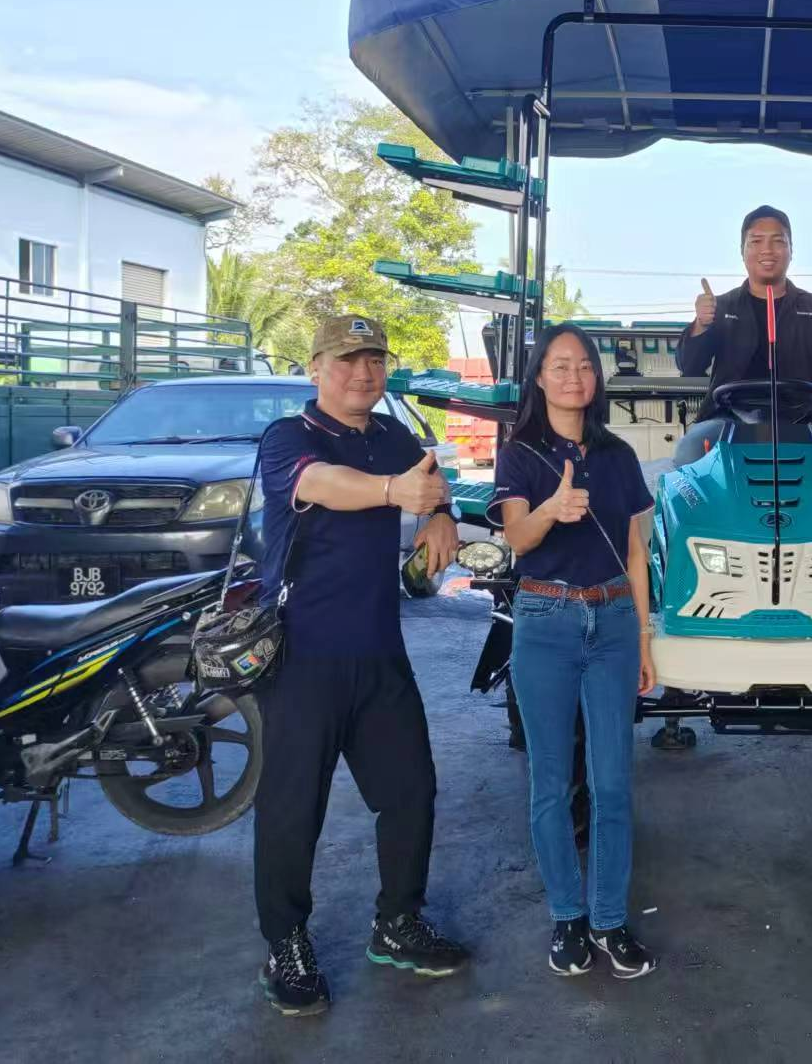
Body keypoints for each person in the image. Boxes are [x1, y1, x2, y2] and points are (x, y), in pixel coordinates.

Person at [252, 314, 467, 1017]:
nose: (363, 373)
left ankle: (398, 921)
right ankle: (285, 944)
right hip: (302, 655)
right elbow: (323, 483)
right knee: (292, 809)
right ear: (316, 367)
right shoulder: (291, 437)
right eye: (346, 360)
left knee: (411, 791)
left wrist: (441, 516)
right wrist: (395, 493)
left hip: (379, 650)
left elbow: (432, 483)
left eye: (374, 359)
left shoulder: (394, 437)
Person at [489, 323, 661, 980]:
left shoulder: (618, 454)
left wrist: (643, 636)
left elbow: (636, 552)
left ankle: (610, 919)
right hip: (545, 620)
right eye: (560, 365)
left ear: (596, 377)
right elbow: (518, 539)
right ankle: (568, 916)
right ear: (539, 377)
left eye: (584, 365)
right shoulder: (520, 453)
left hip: (614, 619)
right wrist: (551, 509)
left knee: (613, 783)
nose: (573, 376)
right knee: (552, 783)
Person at [676, 205, 812, 425]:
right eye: (756, 241)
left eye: (777, 241)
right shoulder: (722, 306)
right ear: (742, 251)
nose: (767, 250)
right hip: (724, 421)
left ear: (791, 250)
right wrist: (701, 324)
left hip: (800, 424)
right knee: (690, 445)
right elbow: (689, 366)